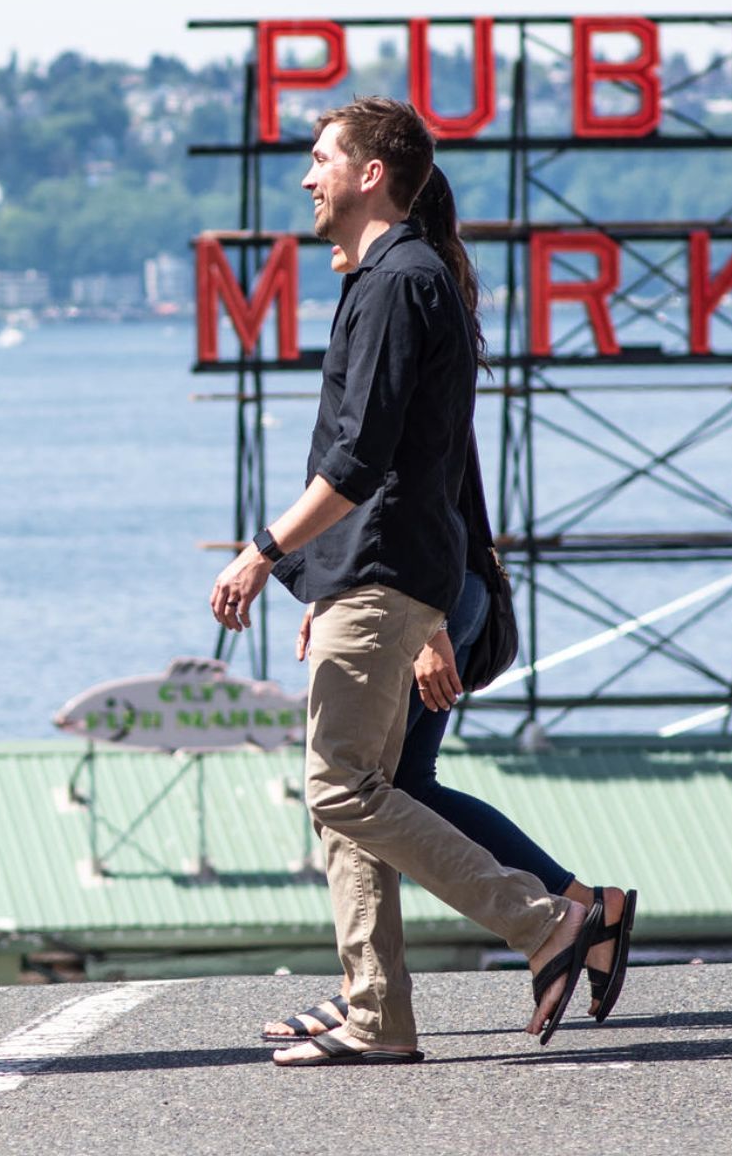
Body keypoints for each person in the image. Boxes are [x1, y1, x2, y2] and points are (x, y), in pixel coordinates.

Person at [211, 99, 633, 1066]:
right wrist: (323, 585)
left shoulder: (401, 283)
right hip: (375, 577)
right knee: (364, 790)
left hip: (387, 578)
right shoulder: (393, 279)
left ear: (371, 173)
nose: (307, 177)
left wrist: (264, 552)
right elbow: (408, 467)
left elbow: (364, 463)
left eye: (321, 160)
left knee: (344, 791)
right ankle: (377, 1017)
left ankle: (545, 922)